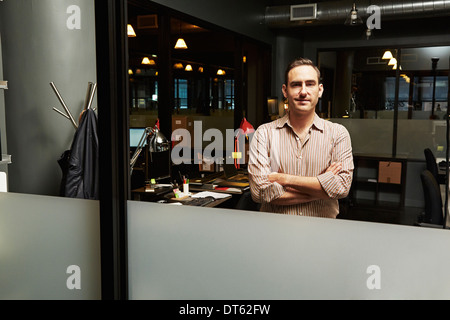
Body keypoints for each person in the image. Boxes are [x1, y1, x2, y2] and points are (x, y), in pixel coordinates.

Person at [248, 57, 353, 218]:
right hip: (275, 232)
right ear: (285, 91)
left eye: (310, 84)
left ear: (320, 90)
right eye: (296, 84)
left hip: (322, 232)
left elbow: (341, 188)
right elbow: (260, 193)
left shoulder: (338, 134)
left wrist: (284, 179)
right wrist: (323, 186)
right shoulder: (264, 133)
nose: (303, 92)